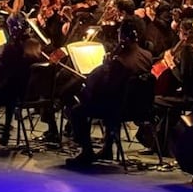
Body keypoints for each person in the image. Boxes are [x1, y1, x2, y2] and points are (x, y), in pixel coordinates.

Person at [65, 37, 154, 166]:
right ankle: (107, 148)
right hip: (141, 108)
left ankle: (87, 151)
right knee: (114, 101)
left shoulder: (120, 62)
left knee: (77, 111)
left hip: (121, 109)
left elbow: (108, 88)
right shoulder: (147, 56)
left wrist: (106, 65)